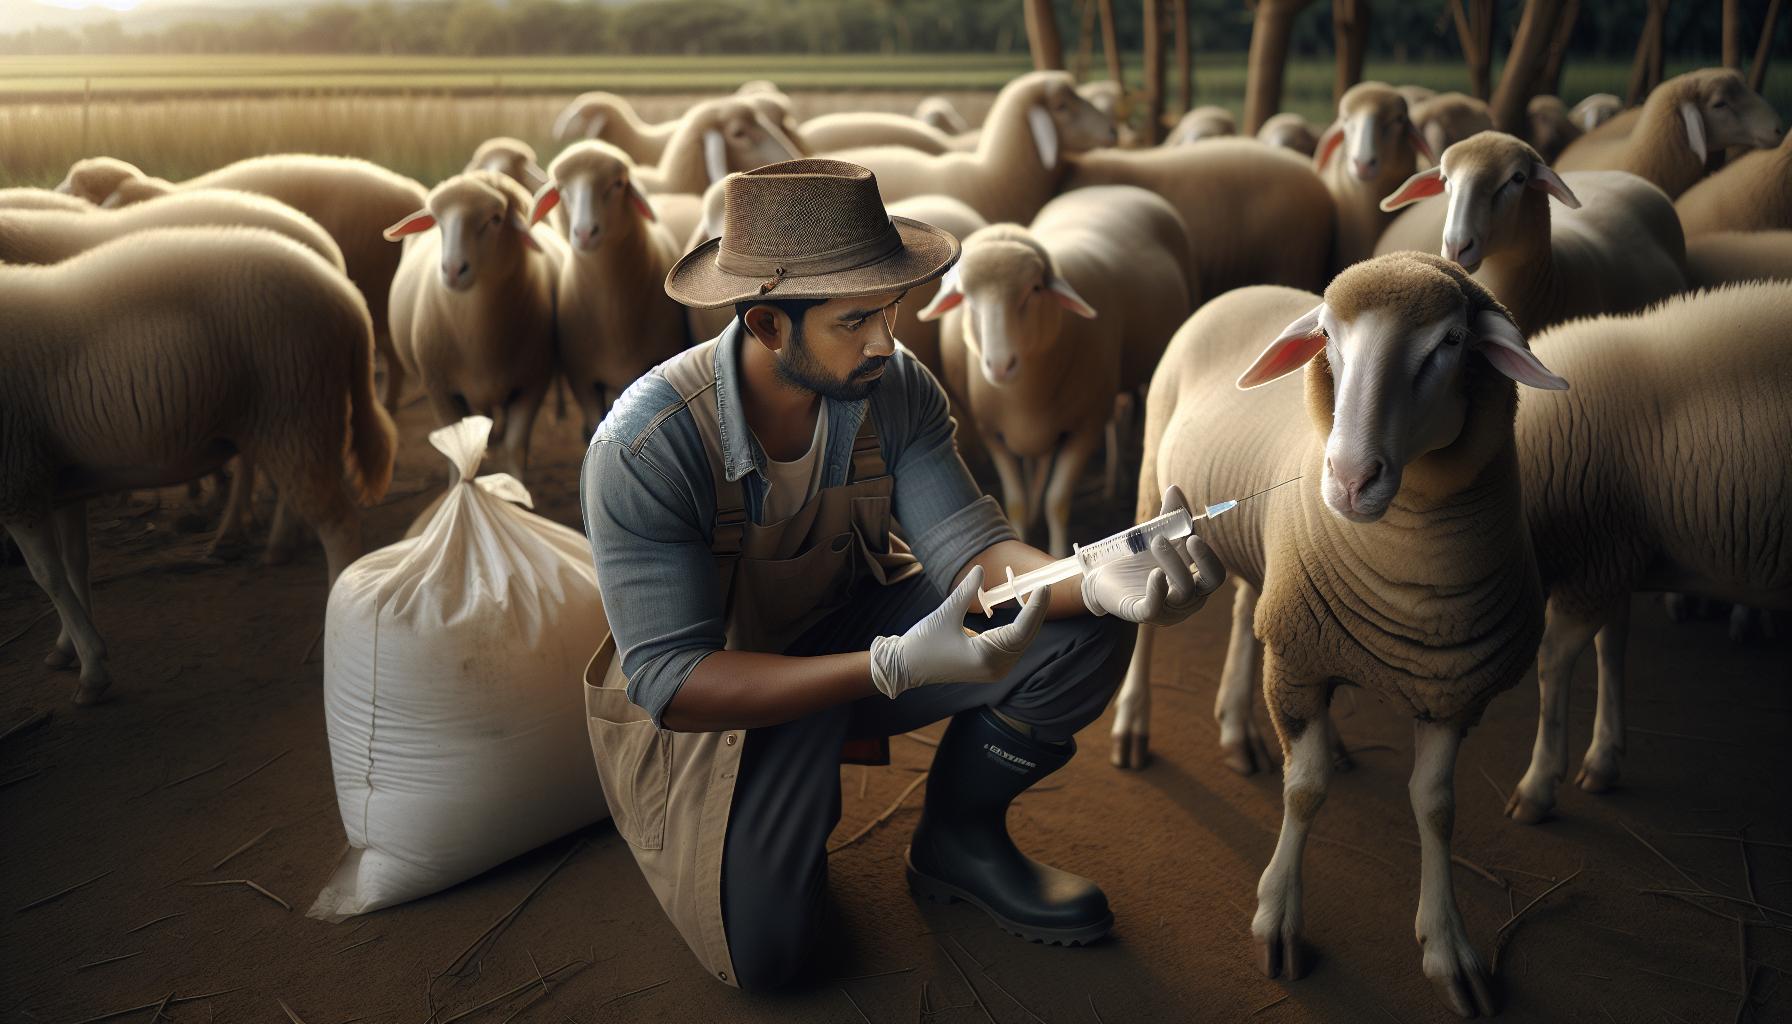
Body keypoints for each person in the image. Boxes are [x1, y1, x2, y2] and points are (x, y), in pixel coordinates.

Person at [578, 158, 1224, 991]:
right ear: (770, 325)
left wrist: (1092, 578)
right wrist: (888, 667)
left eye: (890, 309)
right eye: (857, 320)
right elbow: (673, 683)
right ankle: (782, 817)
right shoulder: (643, 448)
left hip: (853, 623)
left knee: (1076, 625)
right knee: (775, 960)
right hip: (729, 704)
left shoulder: (890, 383)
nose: (887, 338)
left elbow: (973, 551)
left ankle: (960, 837)